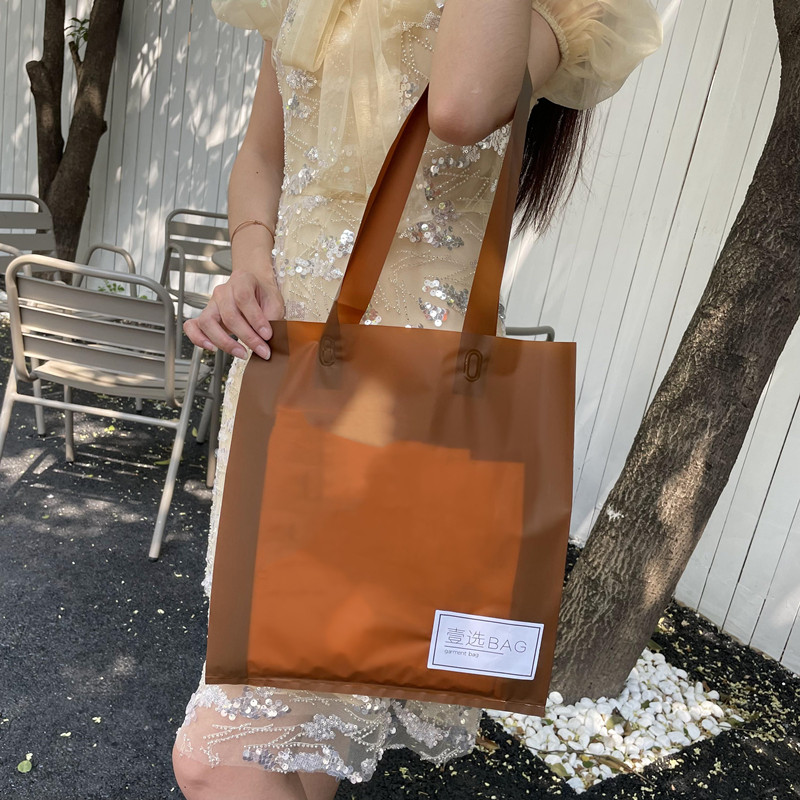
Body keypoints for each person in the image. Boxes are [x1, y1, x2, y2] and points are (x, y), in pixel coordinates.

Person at [172, 1, 662, 798]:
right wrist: (251, 257)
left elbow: (462, 105)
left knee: (214, 758)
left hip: (399, 413)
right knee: (299, 741)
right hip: (280, 380)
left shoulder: (561, 12)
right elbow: (263, 151)